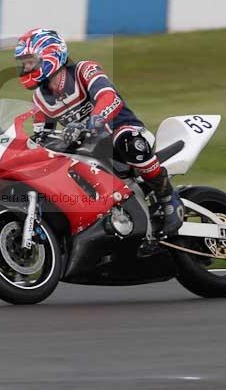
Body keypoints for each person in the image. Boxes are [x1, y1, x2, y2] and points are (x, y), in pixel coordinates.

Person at [14, 27, 184, 246]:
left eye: (30, 61)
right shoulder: (41, 99)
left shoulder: (85, 70)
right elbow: (42, 137)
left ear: (51, 55)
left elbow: (109, 97)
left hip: (123, 131)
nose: (25, 67)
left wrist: (93, 121)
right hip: (89, 150)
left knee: (126, 141)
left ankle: (168, 197)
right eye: (24, 62)